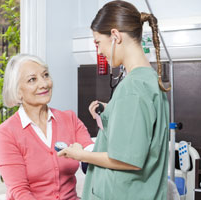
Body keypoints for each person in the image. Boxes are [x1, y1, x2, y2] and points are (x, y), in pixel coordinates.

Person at [58, 1, 170, 199]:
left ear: (115, 36)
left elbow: (128, 160)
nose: (99, 51)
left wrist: (80, 154)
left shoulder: (132, 88)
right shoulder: (149, 80)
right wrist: (111, 110)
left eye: (98, 42)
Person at [0, 54, 94, 200]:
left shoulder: (69, 119)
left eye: (45, 75)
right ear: (18, 91)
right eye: (32, 80)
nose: (44, 84)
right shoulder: (6, 133)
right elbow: (19, 191)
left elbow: (93, 157)